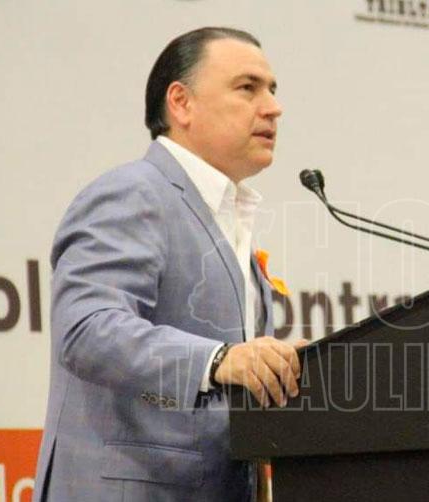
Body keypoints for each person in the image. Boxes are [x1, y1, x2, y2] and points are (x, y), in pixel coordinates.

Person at [32, 27, 302, 501]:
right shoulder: (134, 193)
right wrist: (220, 359)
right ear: (181, 103)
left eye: (273, 90)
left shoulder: (229, 218)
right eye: (248, 88)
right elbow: (86, 329)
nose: (273, 107)